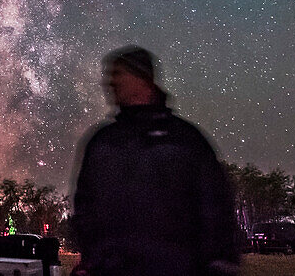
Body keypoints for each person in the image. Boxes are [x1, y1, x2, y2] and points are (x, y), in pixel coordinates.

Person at [72, 46, 238, 276]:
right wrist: (92, 260)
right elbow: (85, 208)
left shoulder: (186, 140)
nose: (109, 82)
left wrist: (219, 263)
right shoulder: (101, 142)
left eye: (117, 74)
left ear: (141, 79)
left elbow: (215, 206)